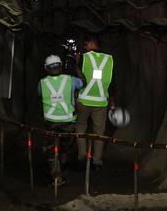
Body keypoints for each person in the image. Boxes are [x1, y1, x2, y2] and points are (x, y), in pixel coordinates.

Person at [75, 36, 114, 171]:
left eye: (86, 44)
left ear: (92, 44)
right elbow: (112, 82)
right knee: (99, 133)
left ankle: (82, 156)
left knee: (80, 128)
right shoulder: (109, 59)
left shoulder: (84, 58)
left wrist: (76, 64)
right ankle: (97, 161)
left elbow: (80, 80)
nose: (84, 47)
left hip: (84, 100)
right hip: (101, 101)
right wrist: (112, 101)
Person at [40, 54, 81, 178]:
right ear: (61, 66)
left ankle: (55, 175)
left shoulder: (42, 83)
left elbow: (39, 94)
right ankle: (64, 160)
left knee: (51, 148)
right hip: (68, 121)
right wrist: (77, 66)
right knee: (67, 146)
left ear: (46, 68)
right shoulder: (71, 80)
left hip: (50, 121)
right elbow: (82, 83)